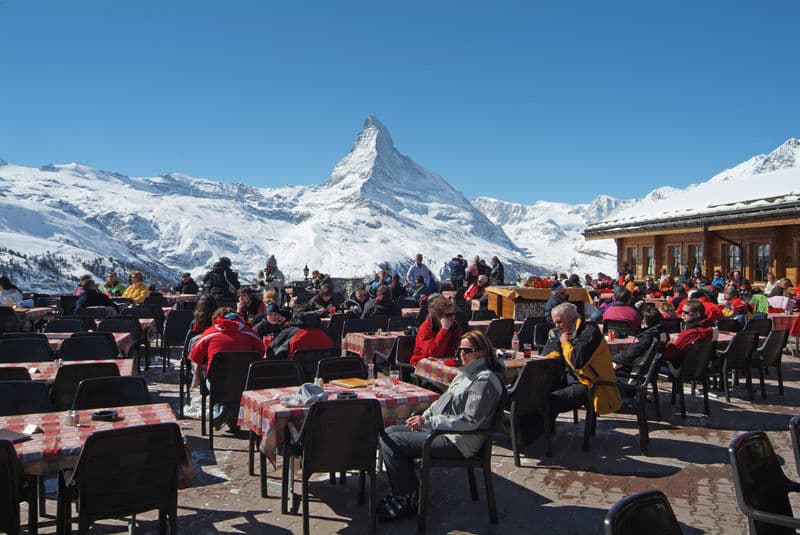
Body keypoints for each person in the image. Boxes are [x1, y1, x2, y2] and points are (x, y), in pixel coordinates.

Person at [377, 330, 503, 521]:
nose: (461, 354)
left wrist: (428, 422)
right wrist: (424, 417)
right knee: (388, 433)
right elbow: (442, 402)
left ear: (482, 352)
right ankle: (409, 491)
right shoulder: (466, 373)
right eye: (459, 349)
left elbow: (470, 420)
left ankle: (407, 497)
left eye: (467, 350)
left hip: (459, 442)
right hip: (444, 431)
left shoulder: (484, 380)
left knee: (392, 440)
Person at [523, 302, 619, 444]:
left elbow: (577, 361)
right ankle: (534, 433)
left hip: (589, 384)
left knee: (548, 400)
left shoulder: (589, 332)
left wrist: (564, 343)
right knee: (534, 392)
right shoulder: (564, 332)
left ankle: (535, 437)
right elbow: (550, 353)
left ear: (571, 319)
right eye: (554, 322)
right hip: (570, 378)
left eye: (559, 322)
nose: (556, 325)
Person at [188, 309, 264, 431]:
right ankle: (232, 416)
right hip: (245, 383)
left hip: (217, 384)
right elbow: (261, 353)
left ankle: (222, 410)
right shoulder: (251, 333)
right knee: (236, 385)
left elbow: (194, 357)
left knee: (218, 380)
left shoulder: (210, 333)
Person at [410, 295, 462, 366]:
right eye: (449, 315)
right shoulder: (426, 328)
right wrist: (444, 330)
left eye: (453, 314)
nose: (453, 317)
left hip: (444, 362)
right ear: (438, 316)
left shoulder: (454, 326)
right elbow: (434, 353)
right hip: (422, 364)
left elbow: (454, 350)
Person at [266, 312, 333, 360]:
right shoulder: (326, 333)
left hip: (295, 375)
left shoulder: (290, 332)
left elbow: (272, 353)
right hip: (323, 375)